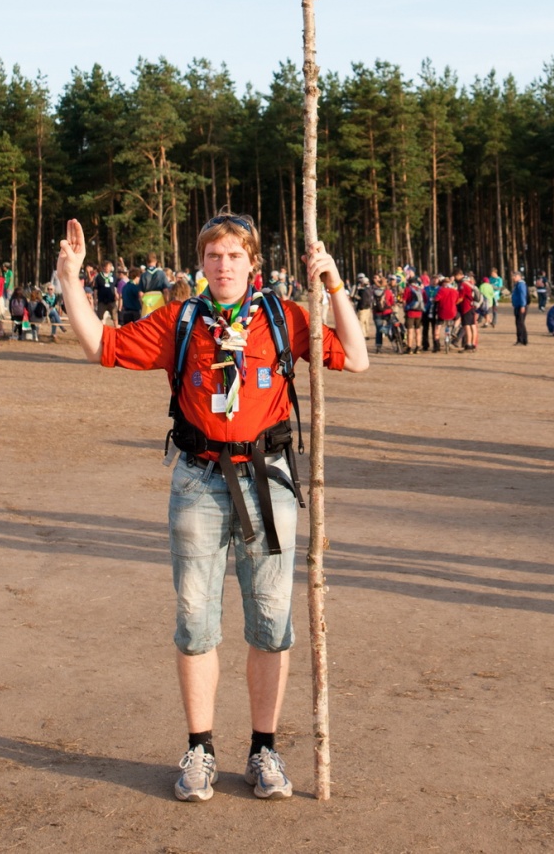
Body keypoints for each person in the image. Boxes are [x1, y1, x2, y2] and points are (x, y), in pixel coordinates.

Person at [56, 210, 368, 804]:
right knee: (196, 618)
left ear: (253, 263)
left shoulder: (284, 317)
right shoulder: (182, 320)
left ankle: (263, 751)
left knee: (271, 621)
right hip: (198, 480)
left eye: (234, 256)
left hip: (269, 481)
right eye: (213, 257)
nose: (223, 266)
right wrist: (70, 278)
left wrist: (333, 285)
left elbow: (355, 358)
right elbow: (102, 343)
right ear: (201, 264)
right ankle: (200, 748)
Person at [403, 274, 424, 353]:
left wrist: (405, 309)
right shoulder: (420, 289)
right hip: (419, 312)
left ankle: (409, 348)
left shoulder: (407, 289)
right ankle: (418, 347)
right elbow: (424, 300)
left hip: (410, 312)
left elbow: (404, 300)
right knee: (418, 330)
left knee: (410, 330)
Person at [94, 260, 119, 326]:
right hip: (102, 300)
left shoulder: (113, 276)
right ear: (104, 267)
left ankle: (116, 327)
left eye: (110, 266)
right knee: (100, 316)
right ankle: (100, 329)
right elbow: (96, 289)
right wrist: (95, 298)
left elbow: (115, 286)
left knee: (114, 316)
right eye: (108, 266)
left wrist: (116, 294)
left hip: (111, 299)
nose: (110, 268)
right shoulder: (99, 277)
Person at [352, 273, 373, 341]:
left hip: (363, 307)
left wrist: (358, 299)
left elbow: (357, 297)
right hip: (366, 307)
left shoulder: (364, 289)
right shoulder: (357, 287)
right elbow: (352, 295)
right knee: (365, 322)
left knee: (363, 322)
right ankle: (365, 334)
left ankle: (364, 335)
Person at [511, 272, 529, 345]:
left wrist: (522, 305)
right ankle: (523, 340)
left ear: (518, 276)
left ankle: (521, 340)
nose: (513, 278)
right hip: (517, 306)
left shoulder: (521, 284)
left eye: (514, 276)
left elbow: (522, 295)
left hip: (520, 306)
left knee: (520, 323)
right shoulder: (517, 284)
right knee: (519, 322)